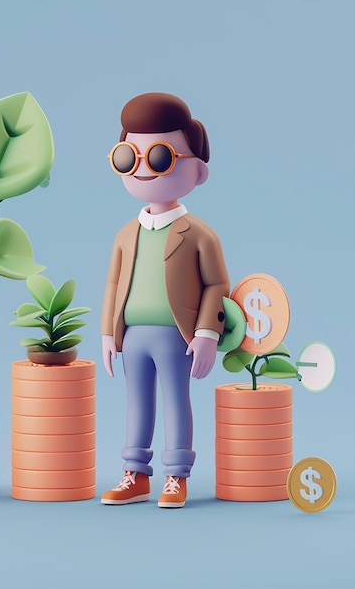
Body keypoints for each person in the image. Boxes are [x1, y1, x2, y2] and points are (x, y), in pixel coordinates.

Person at [100, 93, 230, 508]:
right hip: (133, 337)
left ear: (198, 171)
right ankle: (134, 474)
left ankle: (176, 477)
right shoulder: (125, 234)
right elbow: (113, 284)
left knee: (176, 402)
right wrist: (108, 333)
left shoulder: (198, 234)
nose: (141, 168)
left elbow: (217, 285)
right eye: (127, 157)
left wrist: (208, 332)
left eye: (159, 157)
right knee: (137, 404)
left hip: (177, 337)